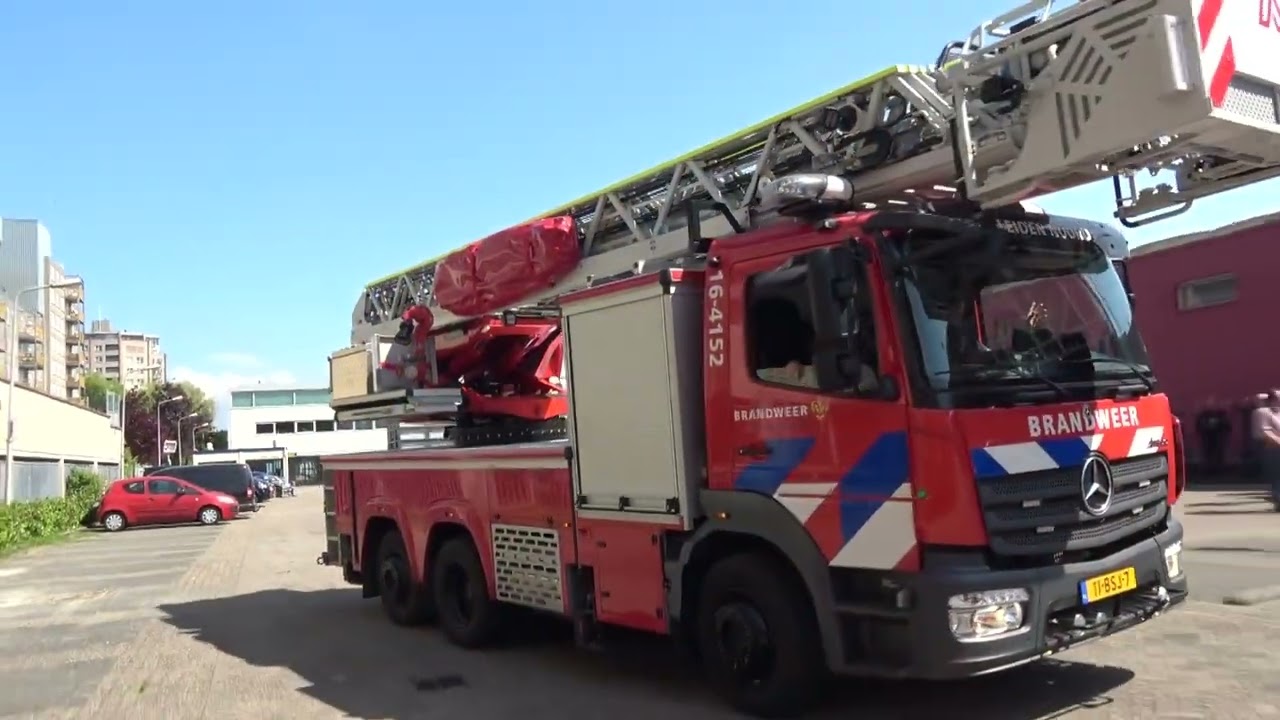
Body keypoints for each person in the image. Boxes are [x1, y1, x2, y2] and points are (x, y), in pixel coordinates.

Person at [1251, 390, 1280, 511]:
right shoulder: (1262, 412)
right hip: (1272, 449)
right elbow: (1265, 431)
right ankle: (1278, 499)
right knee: (1276, 476)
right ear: (1272, 399)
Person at [1195, 396, 1232, 474]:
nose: (1211, 406)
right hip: (1207, 438)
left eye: (1212, 404)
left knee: (1218, 454)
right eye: (1209, 404)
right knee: (1207, 454)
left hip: (1218, 437)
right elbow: (1198, 426)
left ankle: (1218, 470)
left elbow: (1227, 426)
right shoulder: (1204, 415)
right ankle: (1208, 471)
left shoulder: (1220, 415)